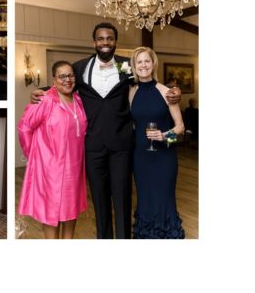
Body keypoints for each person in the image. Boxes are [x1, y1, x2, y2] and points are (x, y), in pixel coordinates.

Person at [29, 22, 182, 239]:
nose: (105, 43)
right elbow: (64, 83)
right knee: (99, 202)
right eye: (101, 39)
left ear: (115, 42)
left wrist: (175, 91)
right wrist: (41, 90)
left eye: (109, 38)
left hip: (122, 146)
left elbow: (150, 84)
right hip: (92, 146)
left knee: (122, 199)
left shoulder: (126, 67)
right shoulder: (80, 68)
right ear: (94, 42)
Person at [17, 61, 88, 239]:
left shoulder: (79, 101)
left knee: (71, 210)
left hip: (74, 167)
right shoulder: (45, 99)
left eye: (70, 75)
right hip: (51, 169)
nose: (67, 79)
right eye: (62, 76)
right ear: (54, 79)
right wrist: (33, 156)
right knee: (51, 212)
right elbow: (24, 128)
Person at [129, 47, 186, 238]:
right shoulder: (131, 93)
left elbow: (180, 128)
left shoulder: (167, 92)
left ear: (153, 64)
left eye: (147, 61)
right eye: (139, 62)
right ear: (134, 67)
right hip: (141, 158)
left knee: (163, 200)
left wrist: (164, 136)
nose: (143, 65)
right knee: (145, 200)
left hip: (164, 158)